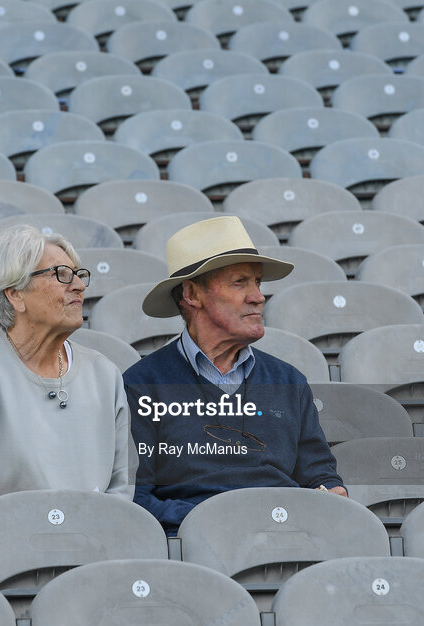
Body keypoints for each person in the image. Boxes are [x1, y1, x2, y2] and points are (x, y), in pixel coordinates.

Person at [123, 215, 346, 534]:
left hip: (288, 534)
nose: (258, 296)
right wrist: (218, 517)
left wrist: (332, 492)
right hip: (196, 543)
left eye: (258, 282)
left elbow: (319, 476)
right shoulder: (141, 385)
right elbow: (134, 495)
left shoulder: (289, 381)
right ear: (192, 294)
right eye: (240, 282)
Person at [0, 226, 134, 540]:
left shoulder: (105, 374)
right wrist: (39, 547)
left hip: (88, 552)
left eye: (78, 274)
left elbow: (119, 490)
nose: (78, 286)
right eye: (60, 274)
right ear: (15, 294)